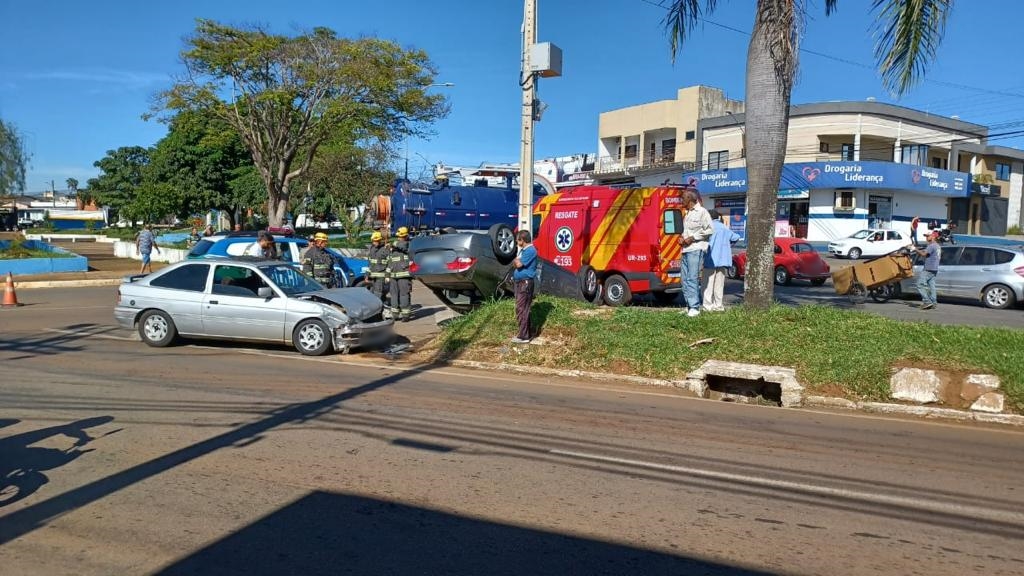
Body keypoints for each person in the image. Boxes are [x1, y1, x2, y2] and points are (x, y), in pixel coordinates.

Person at [679, 190, 713, 317]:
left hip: (696, 249)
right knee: (684, 279)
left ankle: (694, 307)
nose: (681, 201)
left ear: (690, 199)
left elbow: (709, 230)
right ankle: (688, 305)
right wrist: (682, 238)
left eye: (683, 198)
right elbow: (686, 232)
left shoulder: (702, 212)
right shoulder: (687, 213)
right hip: (686, 249)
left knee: (692, 278)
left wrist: (692, 238)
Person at [702, 209, 740, 313]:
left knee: (708, 284)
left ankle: (707, 306)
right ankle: (718, 306)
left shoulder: (709, 228)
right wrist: (728, 245)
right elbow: (736, 237)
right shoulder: (724, 228)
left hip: (710, 260)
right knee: (719, 285)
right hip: (723, 260)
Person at [511, 229, 538, 344]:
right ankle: (525, 332)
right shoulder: (523, 251)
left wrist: (516, 260)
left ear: (522, 240)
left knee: (522, 308)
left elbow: (518, 264)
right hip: (520, 282)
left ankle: (524, 336)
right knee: (520, 308)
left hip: (525, 283)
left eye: (518, 239)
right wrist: (516, 261)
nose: (517, 242)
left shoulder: (530, 250)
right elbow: (516, 263)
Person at [388, 227, 413, 321]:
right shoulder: (395, 247)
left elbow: (403, 246)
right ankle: (395, 315)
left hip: (404, 275)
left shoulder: (408, 244)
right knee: (394, 295)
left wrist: (393, 244)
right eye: (398, 236)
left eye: (400, 236)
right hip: (394, 275)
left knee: (404, 295)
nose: (398, 238)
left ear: (406, 236)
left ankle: (405, 315)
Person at [914, 231, 941, 310]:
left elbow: (924, 254)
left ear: (933, 237)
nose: (926, 237)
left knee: (920, 284)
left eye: (927, 236)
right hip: (934, 268)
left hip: (928, 268)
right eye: (926, 236)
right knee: (931, 286)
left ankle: (927, 302)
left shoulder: (931, 246)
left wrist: (914, 249)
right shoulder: (937, 246)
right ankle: (934, 302)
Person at [366, 231, 390, 301]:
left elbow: (390, 263)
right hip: (373, 276)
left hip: (381, 276)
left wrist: (387, 276)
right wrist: (367, 275)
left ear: (380, 240)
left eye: (376, 241)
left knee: (378, 292)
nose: (374, 243)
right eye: (374, 241)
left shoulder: (385, 250)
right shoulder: (372, 249)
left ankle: (378, 307)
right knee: (373, 291)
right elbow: (370, 263)